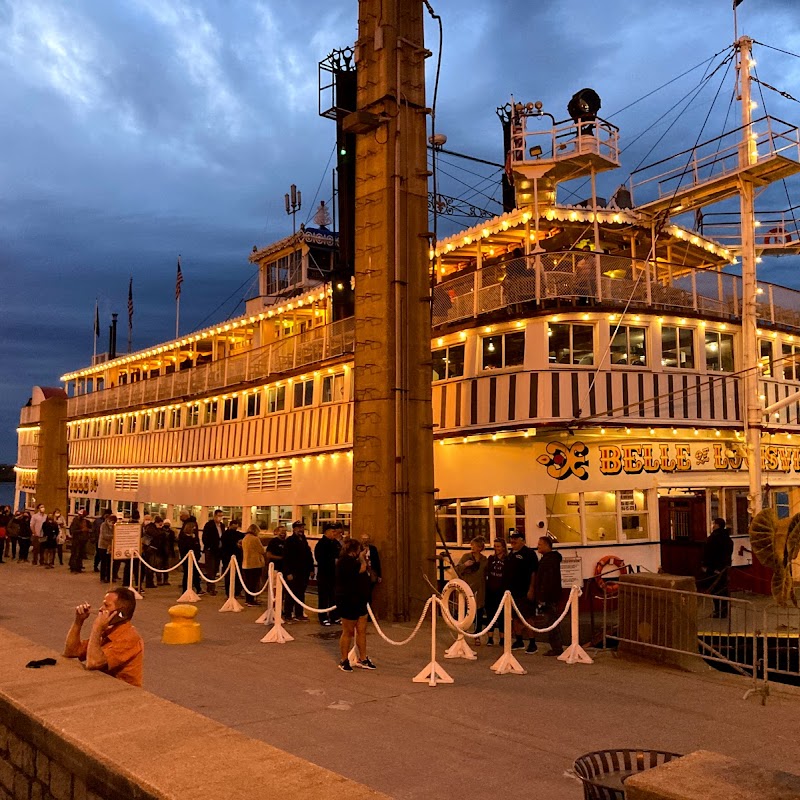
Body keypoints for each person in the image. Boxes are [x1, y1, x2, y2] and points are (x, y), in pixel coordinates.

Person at [63, 587, 144, 687]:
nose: (101, 609)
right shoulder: (109, 631)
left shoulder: (129, 638)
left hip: (125, 694)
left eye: (106, 605)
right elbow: (71, 651)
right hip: (105, 687)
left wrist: (97, 628)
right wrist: (78, 622)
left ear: (120, 613)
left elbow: (93, 662)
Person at [334, 539, 376, 672]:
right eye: (360, 549)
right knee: (348, 631)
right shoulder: (345, 561)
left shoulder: (355, 561)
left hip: (360, 600)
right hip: (348, 600)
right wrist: (363, 559)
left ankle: (363, 658)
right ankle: (344, 659)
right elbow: (361, 569)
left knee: (362, 630)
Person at [530, 536, 564, 656]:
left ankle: (557, 647)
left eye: (540, 544)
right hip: (550, 596)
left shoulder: (549, 561)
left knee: (552, 622)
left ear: (546, 545)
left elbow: (547, 580)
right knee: (551, 621)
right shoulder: (549, 559)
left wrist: (542, 597)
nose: (538, 546)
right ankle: (556, 646)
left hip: (549, 597)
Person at [507, 531, 539, 654]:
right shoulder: (510, 554)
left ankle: (532, 642)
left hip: (524, 591)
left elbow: (534, 572)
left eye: (516, 538)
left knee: (527, 617)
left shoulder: (529, 554)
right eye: (511, 538)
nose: (513, 541)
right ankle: (519, 640)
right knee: (514, 617)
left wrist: (531, 589)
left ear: (523, 540)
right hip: (512, 592)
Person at [456, 536, 488, 643]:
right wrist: (465, 565)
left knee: (478, 612)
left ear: (480, 547)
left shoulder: (484, 560)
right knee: (465, 611)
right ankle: (462, 634)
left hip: (479, 589)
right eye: (472, 545)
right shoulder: (466, 557)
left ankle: (477, 635)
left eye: (475, 545)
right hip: (468, 587)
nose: (472, 547)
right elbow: (457, 569)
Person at [702, 517, 734, 618]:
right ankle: (724, 611)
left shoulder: (713, 538)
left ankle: (718, 611)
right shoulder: (727, 538)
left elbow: (708, 553)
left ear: (716, 525)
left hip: (713, 568)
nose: (712, 526)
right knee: (723, 590)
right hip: (724, 568)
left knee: (715, 590)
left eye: (713, 524)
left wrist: (705, 565)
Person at [283, 521, 314, 621]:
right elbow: (286, 558)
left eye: (302, 528)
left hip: (303, 572)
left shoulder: (304, 540)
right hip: (293, 572)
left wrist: (311, 569)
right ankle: (288, 614)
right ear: (294, 529)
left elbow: (309, 556)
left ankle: (299, 613)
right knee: (291, 594)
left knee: (301, 593)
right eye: (299, 528)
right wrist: (288, 572)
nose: (301, 530)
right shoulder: (290, 541)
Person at [315, 523, 341, 626]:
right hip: (324, 575)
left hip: (334, 575)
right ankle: (323, 617)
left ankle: (334, 616)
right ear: (326, 532)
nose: (334, 533)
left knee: (334, 597)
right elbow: (320, 559)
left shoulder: (335, 543)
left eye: (335, 531)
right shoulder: (321, 544)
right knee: (324, 597)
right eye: (332, 531)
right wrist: (332, 561)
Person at [485, 538, 508, 647]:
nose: (496, 548)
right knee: (491, 614)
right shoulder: (491, 559)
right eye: (495, 546)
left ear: (503, 547)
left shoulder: (507, 559)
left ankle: (502, 638)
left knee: (502, 615)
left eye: (498, 546)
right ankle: (490, 637)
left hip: (502, 591)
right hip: (491, 590)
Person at [177, 516, 203, 595]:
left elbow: (197, 546)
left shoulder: (194, 537)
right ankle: (185, 590)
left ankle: (197, 588)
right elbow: (186, 547)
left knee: (195, 573)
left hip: (194, 557)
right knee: (187, 573)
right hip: (187, 557)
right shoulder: (184, 538)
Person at [241, 524, 265, 606]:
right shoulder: (255, 539)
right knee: (254, 583)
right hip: (255, 564)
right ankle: (252, 600)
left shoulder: (245, 538)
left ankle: (248, 599)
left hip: (245, 563)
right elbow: (262, 550)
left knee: (248, 583)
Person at [202, 510, 224, 596]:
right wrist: (209, 546)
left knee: (215, 568)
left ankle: (212, 585)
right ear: (214, 515)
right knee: (210, 569)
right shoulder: (209, 525)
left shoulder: (222, 526)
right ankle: (211, 587)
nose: (220, 518)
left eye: (221, 516)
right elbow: (205, 537)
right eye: (219, 515)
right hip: (210, 550)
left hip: (218, 551)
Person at [221, 519, 244, 597]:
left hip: (233, 557)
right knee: (231, 575)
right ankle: (232, 592)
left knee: (236, 575)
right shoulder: (226, 535)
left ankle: (234, 591)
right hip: (229, 557)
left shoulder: (227, 534)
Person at [359, 533, 382, 602]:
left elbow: (377, 561)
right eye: (363, 539)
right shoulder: (358, 548)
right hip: (362, 572)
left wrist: (379, 575)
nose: (365, 541)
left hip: (371, 571)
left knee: (370, 591)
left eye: (367, 539)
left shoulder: (373, 549)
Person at [97, 514, 116, 583]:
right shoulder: (103, 525)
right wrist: (114, 536)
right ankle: (102, 577)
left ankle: (109, 577)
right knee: (104, 562)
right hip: (103, 546)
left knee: (110, 562)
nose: (112, 524)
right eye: (112, 522)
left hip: (110, 546)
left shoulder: (114, 526)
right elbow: (104, 535)